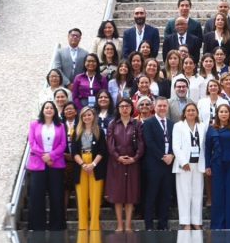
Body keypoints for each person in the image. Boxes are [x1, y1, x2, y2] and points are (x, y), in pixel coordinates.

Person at [105, 97, 145, 232]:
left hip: (133, 163)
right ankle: (119, 225)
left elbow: (141, 143)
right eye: (122, 106)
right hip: (116, 164)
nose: (124, 109)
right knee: (118, 194)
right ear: (118, 109)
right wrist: (118, 157)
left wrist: (135, 158)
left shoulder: (137, 124)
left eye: (127, 106)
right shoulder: (113, 124)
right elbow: (110, 144)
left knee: (130, 194)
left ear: (131, 108)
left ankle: (128, 225)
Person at [27, 102, 67, 231]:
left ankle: (57, 226)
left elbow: (63, 144)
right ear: (42, 110)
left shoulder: (60, 126)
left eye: (51, 108)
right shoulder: (34, 125)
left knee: (56, 195)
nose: (49, 110)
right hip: (38, 165)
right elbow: (32, 143)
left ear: (55, 111)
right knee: (37, 195)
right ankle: (37, 225)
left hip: (56, 164)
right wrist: (44, 156)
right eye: (46, 108)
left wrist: (52, 156)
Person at [205, 104, 230, 229]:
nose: (224, 114)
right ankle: (218, 224)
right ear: (217, 114)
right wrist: (207, 165)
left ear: (229, 114)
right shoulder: (211, 129)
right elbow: (207, 149)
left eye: (226, 112)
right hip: (216, 164)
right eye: (221, 112)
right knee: (218, 194)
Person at [72, 107, 108, 231]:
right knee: (82, 197)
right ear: (81, 118)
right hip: (81, 164)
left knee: (95, 196)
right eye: (84, 115)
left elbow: (103, 150)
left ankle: (94, 225)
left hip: (95, 165)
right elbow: (74, 152)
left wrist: (93, 164)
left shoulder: (99, 131)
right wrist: (83, 165)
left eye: (89, 115)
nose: (87, 117)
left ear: (93, 116)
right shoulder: (76, 132)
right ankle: (82, 225)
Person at [172, 103, 207, 230]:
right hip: (184, 165)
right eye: (188, 110)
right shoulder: (178, 126)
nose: (191, 112)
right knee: (184, 194)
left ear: (197, 112)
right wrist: (183, 162)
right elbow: (176, 146)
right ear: (184, 113)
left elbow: (204, 146)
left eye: (193, 110)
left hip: (198, 163)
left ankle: (196, 221)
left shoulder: (202, 126)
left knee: (197, 193)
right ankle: (186, 222)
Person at [142, 97, 175, 231]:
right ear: (154, 108)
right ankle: (149, 225)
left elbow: (176, 141)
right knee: (152, 194)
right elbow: (149, 142)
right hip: (154, 164)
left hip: (169, 164)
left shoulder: (172, 124)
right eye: (159, 106)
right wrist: (162, 156)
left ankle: (163, 223)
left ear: (167, 107)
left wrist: (172, 154)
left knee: (166, 195)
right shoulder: (148, 123)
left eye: (164, 106)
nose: (162, 108)